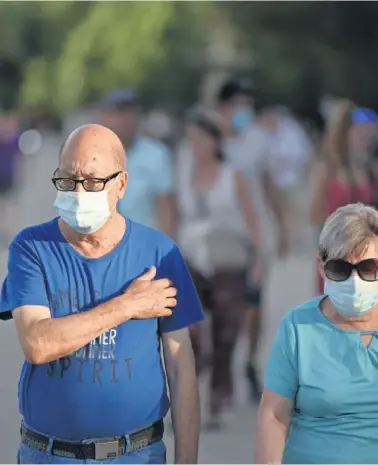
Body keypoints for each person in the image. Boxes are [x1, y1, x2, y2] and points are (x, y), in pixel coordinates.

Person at [0, 124, 204, 464]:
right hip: (50, 455)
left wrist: (187, 460)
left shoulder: (159, 254)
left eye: (93, 182)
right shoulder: (32, 247)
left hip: (136, 454)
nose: (79, 192)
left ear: (121, 184)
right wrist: (127, 305)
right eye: (68, 180)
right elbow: (38, 344)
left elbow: (181, 368)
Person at [255, 203, 378, 464]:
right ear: (321, 267)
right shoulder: (298, 327)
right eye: (340, 269)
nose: (354, 282)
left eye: (367, 268)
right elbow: (274, 416)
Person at [176, 109, 262, 428]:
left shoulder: (232, 176)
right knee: (192, 332)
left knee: (227, 330)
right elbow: (174, 217)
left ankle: (218, 397)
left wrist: (258, 263)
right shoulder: (182, 174)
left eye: (200, 138)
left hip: (228, 258)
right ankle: (188, 397)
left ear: (214, 141)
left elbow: (252, 221)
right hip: (191, 259)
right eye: (191, 140)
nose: (195, 146)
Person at [217, 78, 287, 403]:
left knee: (254, 304)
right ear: (223, 107)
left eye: (248, 104)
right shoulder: (213, 139)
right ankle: (223, 366)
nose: (244, 111)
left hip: (255, 233)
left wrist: (282, 225)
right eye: (238, 104)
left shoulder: (259, 140)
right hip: (222, 236)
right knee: (225, 307)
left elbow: (270, 184)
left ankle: (249, 362)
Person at [310, 100, 375, 294]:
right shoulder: (328, 172)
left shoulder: (369, 170)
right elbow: (314, 216)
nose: (367, 135)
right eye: (359, 130)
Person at [101, 88, 177, 238]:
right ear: (106, 117)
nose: (125, 120)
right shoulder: (92, 156)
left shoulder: (156, 154)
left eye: (130, 113)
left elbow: (166, 208)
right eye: (118, 113)